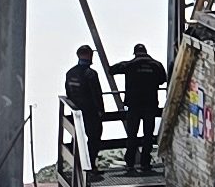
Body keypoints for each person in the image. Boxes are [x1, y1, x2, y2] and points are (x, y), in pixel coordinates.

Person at [111, 42, 168, 171]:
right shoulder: (156, 65)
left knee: (132, 135)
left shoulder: (130, 65)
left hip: (134, 105)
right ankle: (145, 163)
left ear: (135, 53)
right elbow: (163, 79)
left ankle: (130, 163)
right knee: (148, 135)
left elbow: (112, 70)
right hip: (150, 105)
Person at [62, 46, 109, 161]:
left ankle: (77, 164)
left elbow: (68, 91)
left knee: (77, 137)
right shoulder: (90, 74)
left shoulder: (70, 73)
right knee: (94, 138)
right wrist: (100, 110)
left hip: (76, 111)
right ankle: (90, 164)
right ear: (89, 55)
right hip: (91, 111)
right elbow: (96, 94)